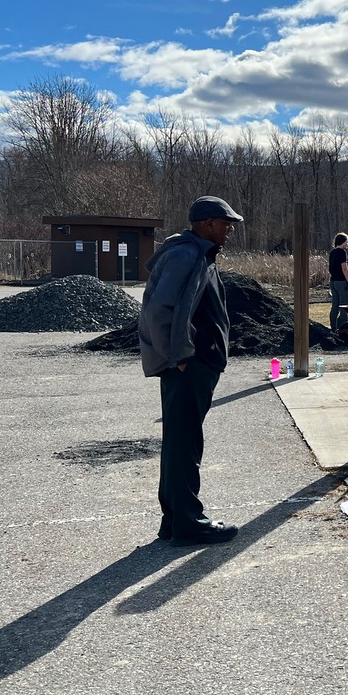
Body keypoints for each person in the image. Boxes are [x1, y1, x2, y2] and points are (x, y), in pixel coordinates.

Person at [137, 195, 244, 546]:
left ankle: (174, 519)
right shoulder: (186, 255)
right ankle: (188, 522)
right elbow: (158, 312)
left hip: (194, 364)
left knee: (179, 441)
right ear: (206, 224)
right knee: (185, 443)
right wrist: (178, 357)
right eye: (225, 223)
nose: (229, 230)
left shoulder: (197, 253)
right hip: (188, 366)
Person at [328, 232, 348, 332]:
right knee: (345, 306)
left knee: (335, 305)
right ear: (342, 242)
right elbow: (344, 268)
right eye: (347, 242)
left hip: (333, 281)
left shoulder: (332, 252)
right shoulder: (342, 252)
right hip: (342, 282)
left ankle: (333, 327)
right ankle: (343, 329)